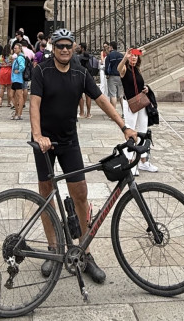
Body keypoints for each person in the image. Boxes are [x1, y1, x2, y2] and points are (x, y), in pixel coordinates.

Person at [30, 28, 138, 285]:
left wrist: (124, 126)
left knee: (80, 194)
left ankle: (85, 251)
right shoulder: (42, 71)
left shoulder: (80, 72)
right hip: (45, 142)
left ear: (73, 47)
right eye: (60, 46)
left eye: (68, 46)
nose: (65, 50)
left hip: (69, 141)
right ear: (53, 48)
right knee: (46, 194)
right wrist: (37, 135)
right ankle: (53, 249)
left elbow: (102, 100)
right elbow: (34, 103)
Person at [118, 49, 158, 173]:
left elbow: (140, 84)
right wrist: (125, 57)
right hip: (130, 103)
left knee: (143, 130)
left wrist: (145, 89)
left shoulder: (138, 69)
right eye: (132, 56)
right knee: (131, 130)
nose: (133, 58)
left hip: (141, 101)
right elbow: (119, 69)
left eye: (135, 56)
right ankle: (130, 162)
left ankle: (143, 161)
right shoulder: (125, 69)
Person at [105, 42, 125, 113]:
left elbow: (107, 67)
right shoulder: (121, 55)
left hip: (112, 76)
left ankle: (114, 112)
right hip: (121, 76)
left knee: (113, 94)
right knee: (121, 95)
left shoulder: (109, 56)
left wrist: (107, 74)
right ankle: (124, 112)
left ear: (111, 47)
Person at [11, 43, 26, 120]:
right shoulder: (17, 57)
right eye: (14, 48)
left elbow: (22, 66)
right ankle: (17, 111)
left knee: (19, 96)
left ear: (20, 49)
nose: (14, 49)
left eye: (16, 48)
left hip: (18, 79)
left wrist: (19, 70)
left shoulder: (20, 57)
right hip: (14, 79)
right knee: (11, 95)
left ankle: (19, 113)